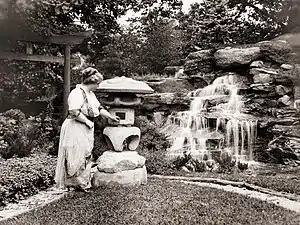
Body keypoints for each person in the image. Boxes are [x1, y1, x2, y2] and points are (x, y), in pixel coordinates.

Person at [54, 67, 119, 192]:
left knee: (85, 152)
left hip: (86, 126)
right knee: (75, 153)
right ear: (92, 82)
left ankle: (82, 182)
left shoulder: (90, 94)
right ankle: (73, 183)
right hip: (75, 126)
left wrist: (110, 116)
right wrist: (87, 121)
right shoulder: (77, 93)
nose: (98, 86)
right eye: (97, 83)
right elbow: (73, 111)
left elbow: (99, 108)